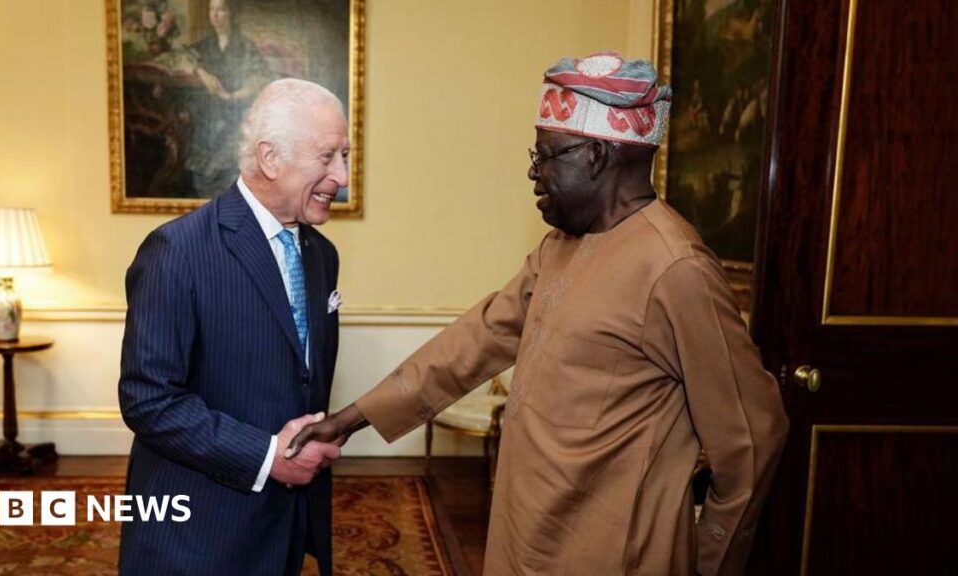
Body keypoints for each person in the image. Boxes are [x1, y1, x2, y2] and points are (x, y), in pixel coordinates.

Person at [288, 52, 788, 575]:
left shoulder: (676, 268)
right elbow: (478, 338)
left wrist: (706, 560)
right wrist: (353, 417)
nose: (533, 172)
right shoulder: (561, 244)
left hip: (613, 550)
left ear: (595, 155)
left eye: (546, 155)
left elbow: (753, 437)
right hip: (528, 528)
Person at [118, 78, 350, 575]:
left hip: (283, 522)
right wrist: (267, 456)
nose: (343, 176)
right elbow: (148, 399)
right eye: (329, 156)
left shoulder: (321, 255)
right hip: (195, 534)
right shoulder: (177, 252)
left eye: (345, 156)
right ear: (270, 158)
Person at [185, 0, 272, 196]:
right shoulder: (204, 46)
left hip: (236, 113)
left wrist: (235, 95)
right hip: (206, 116)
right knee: (203, 178)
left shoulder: (245, 46)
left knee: (231, 176)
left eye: (221, 9)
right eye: (212, 9)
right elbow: (181, 57)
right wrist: (201, 72)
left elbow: (261, 77)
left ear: (231, 13)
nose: (215, 14)